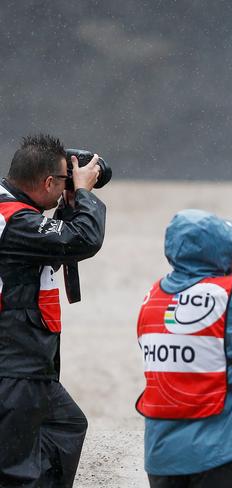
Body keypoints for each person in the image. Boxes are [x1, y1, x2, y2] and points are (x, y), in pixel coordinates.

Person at [136, 209, 232, 488]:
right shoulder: (226, 296)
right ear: (221, 255)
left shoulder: (152, 297)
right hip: (221, 450)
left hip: (162, 454)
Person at [0, 134, 106, 487]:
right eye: (64, 181)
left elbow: (48, 250)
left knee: (65, 424)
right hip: (14, 365)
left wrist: (68, 205)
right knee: (15, 471)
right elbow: (83, 239)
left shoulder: (14, 213)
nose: (67, 188)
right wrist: (86, 195)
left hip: (25, 362)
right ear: (48, 182)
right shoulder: (16, 221)